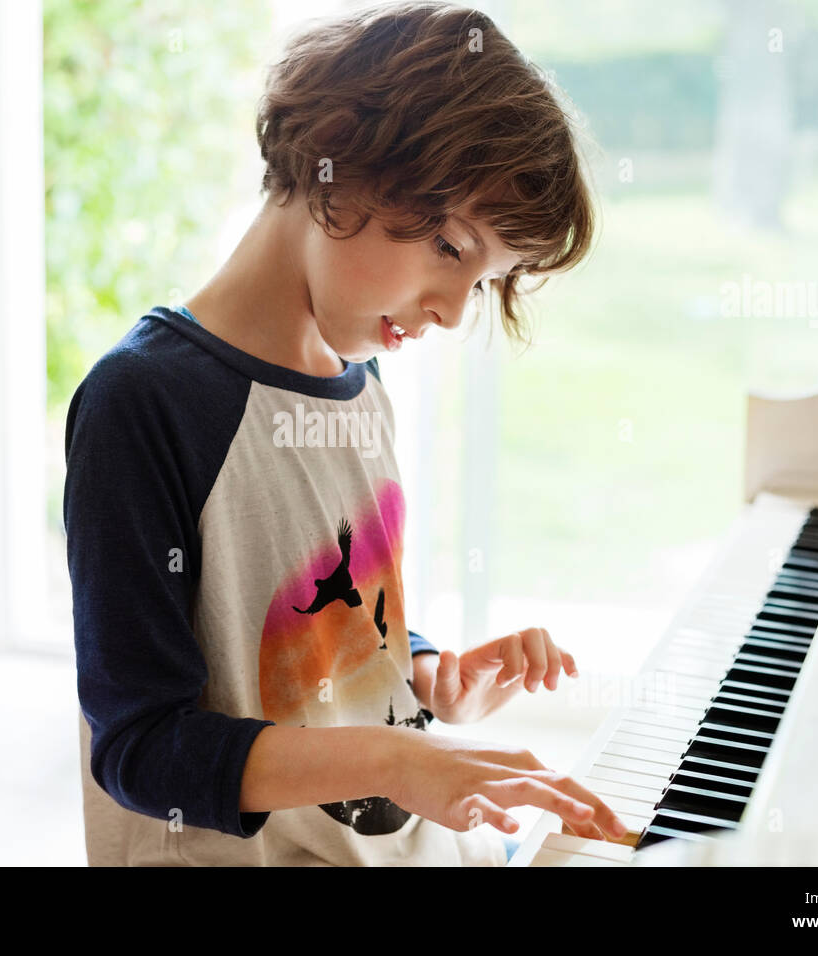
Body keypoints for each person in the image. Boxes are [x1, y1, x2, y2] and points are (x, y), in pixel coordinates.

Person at [64, 0, 628, 866]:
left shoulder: (362, 389)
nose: (451, 311)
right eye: (449, 246)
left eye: (486, 282)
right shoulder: (142, 402)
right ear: (336, 158)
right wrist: (400, 758)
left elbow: (343, 625)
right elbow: (139, 746)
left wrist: (431, 678)